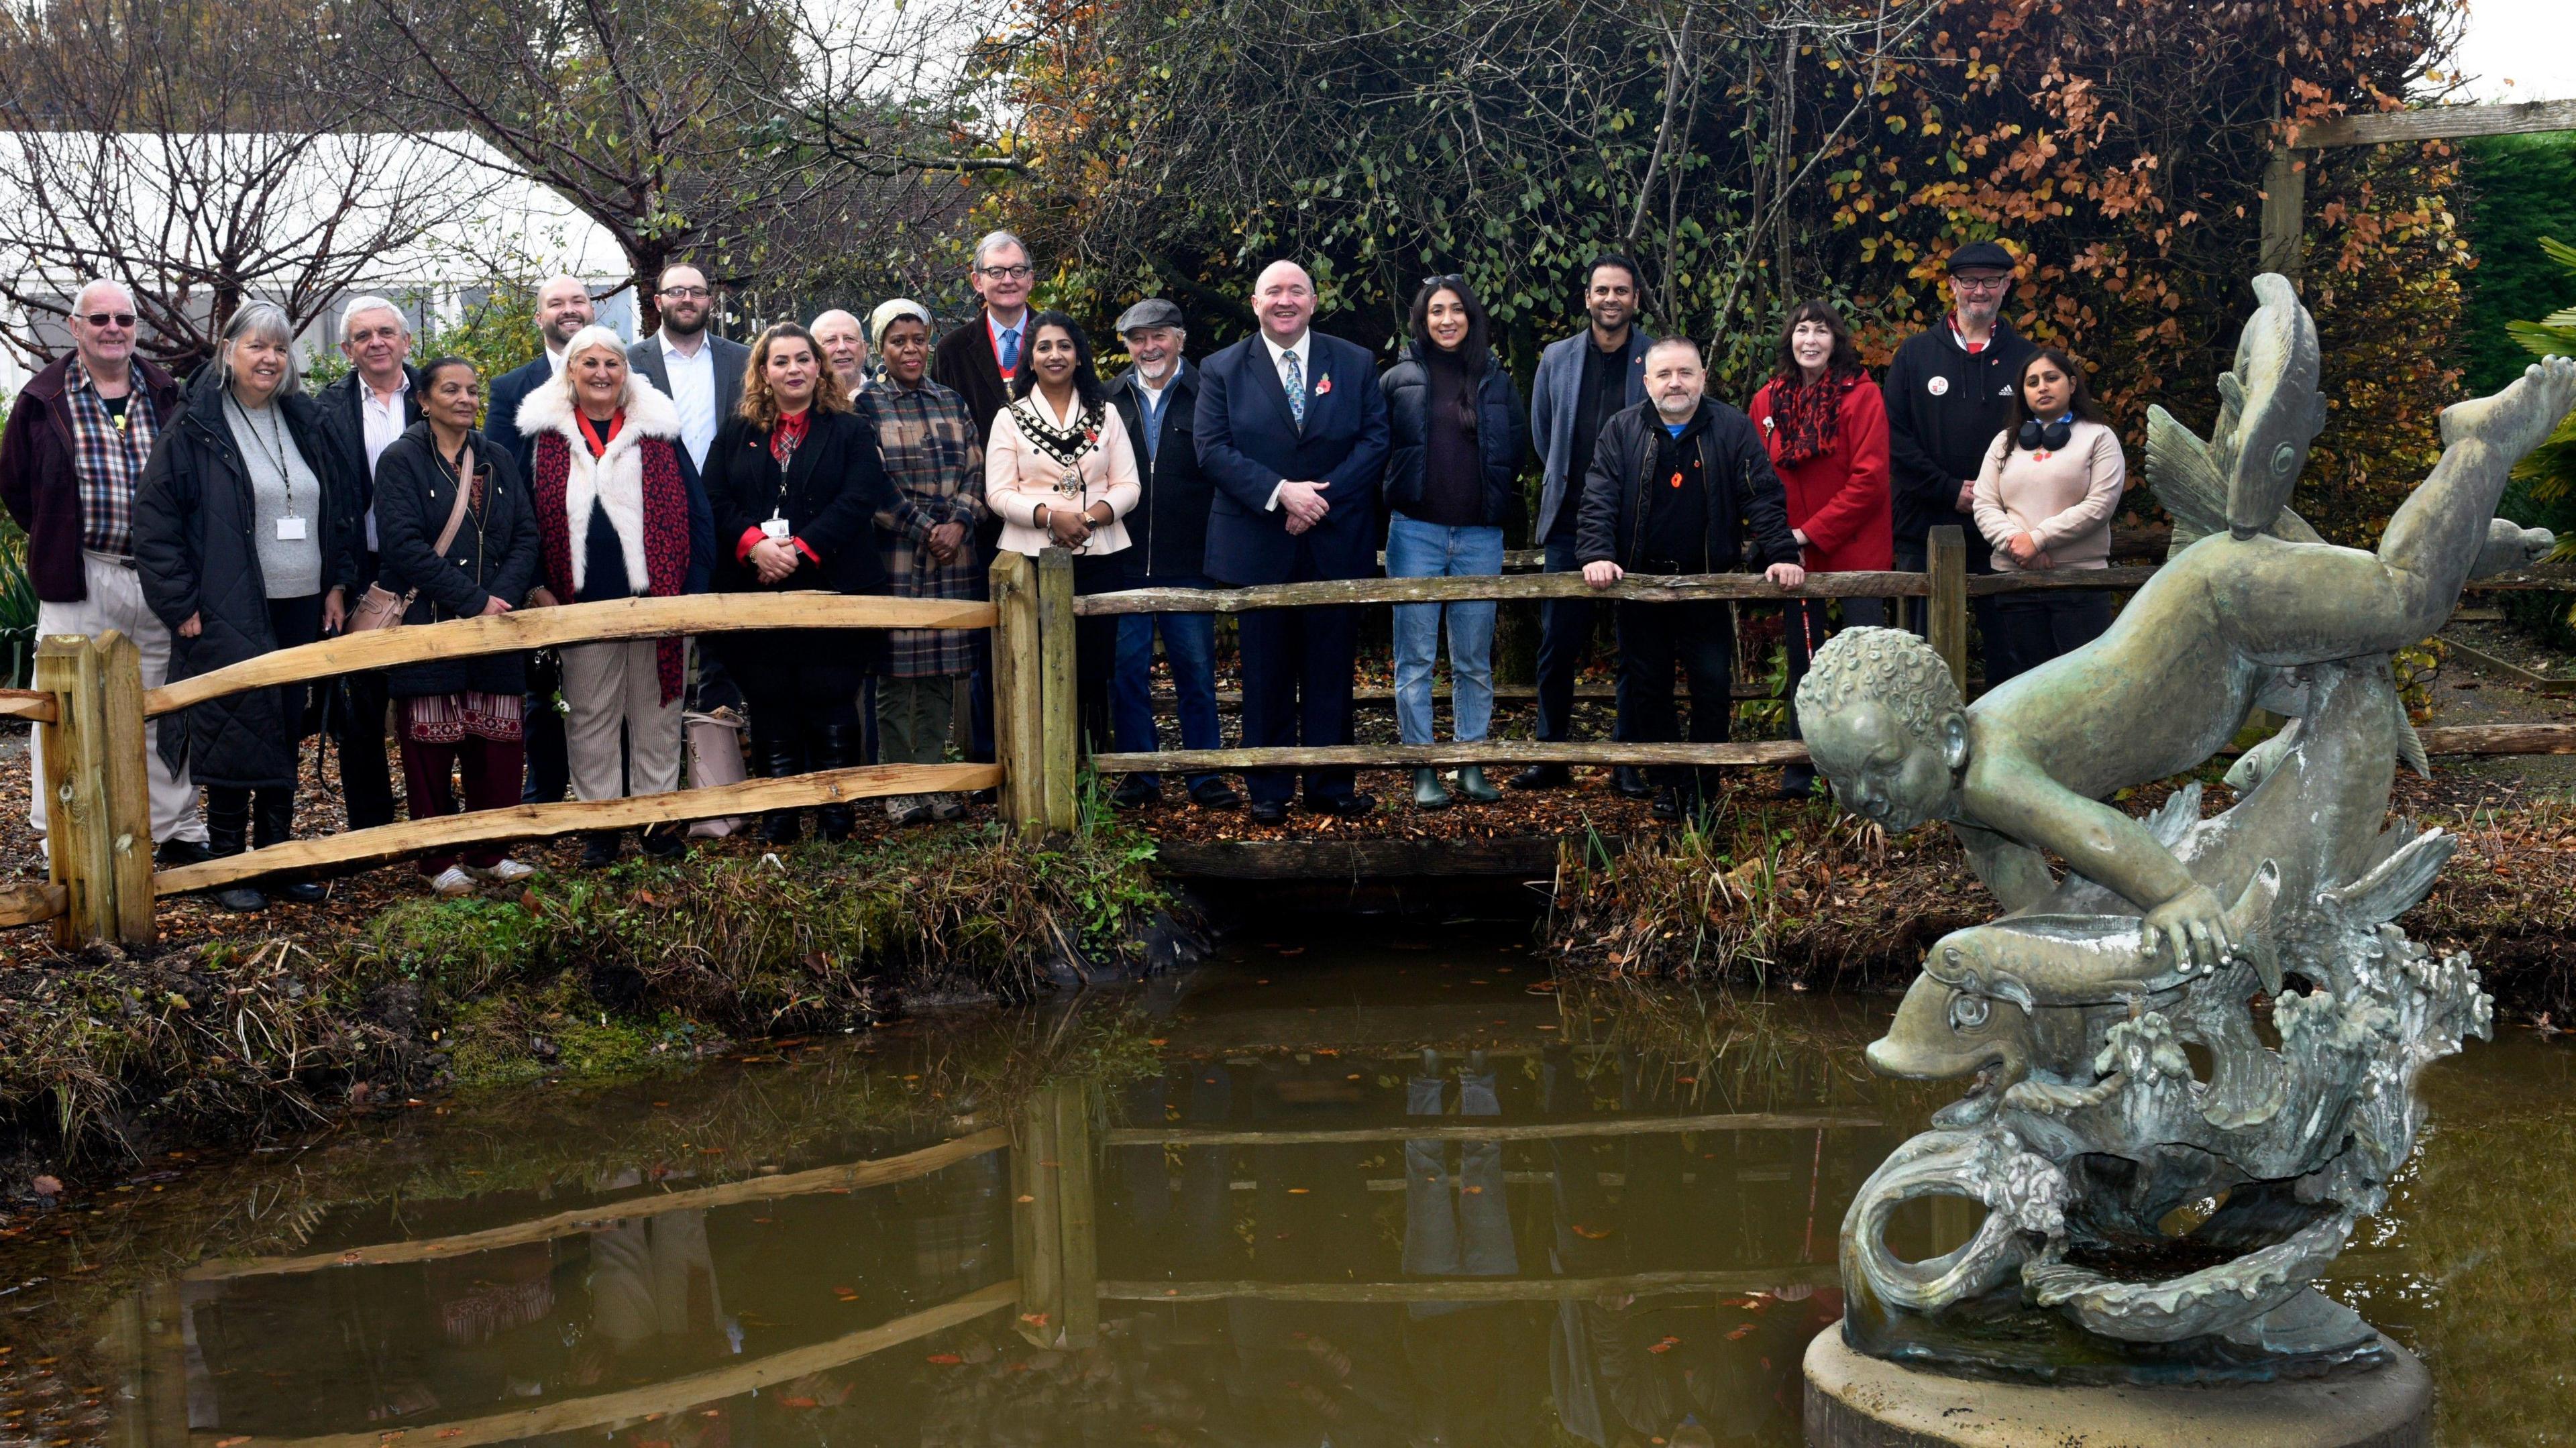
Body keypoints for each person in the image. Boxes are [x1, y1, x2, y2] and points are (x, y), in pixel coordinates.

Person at [135, 300, 362, 910]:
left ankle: (278, 861)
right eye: (257, 346)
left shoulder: (304, 420)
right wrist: (180, 601)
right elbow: (156, 523)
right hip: (229, 604)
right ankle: (230, 867)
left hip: (302, 606)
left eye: (280, 349)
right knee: (234, 728)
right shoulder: (195, 426)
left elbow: (335, 508)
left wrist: (337, 584)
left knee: (286, 727)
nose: (269, 358)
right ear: (229, 350)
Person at [0, 279, 208, 862]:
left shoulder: (168, 393)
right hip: (80, 575)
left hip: (162, 576)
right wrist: (57, 539)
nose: (112, 328)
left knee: (164, 703)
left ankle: (174, 828)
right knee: (64, 706)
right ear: (75, 327)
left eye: (123, 318)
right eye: (99, 320)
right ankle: (61, 835)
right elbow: (16, 485)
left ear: (136, 326)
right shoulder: (43, 400)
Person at [1576, 337, 1806, 821]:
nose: (1675, 383)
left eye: (1685, 373)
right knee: (1649, 691)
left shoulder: (1732, 427)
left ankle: (1702, 791)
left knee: (1711, 690)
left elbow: (1761, 495)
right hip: (1641, 588)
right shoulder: (1622, 430)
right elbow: (1599, 496)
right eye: (1664, 374)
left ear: (1703, 377)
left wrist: (1783, 552)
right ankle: (1671, 785)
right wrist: (1597, 553)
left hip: (1708, 587)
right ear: (1647, 382)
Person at [1195, 261, 1391, 824]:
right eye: (1274, 292)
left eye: (1296, 290)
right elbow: (1212, 448)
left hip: (1334, 540)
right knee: (1264, 672)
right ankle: (1270, 787)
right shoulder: (1223, 368)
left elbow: (1376, 439)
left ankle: (1331, 785)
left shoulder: (1353, 362)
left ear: (1313, 300)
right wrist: (1283, 493)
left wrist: (1318, 500)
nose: (1285, 300)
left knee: (1332, 669)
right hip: (1260, 542)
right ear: (1255, 303)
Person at [702, 322, 903, 844]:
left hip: (836, 586)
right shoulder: (736, 432)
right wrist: (755, 546)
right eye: (781, 361)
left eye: (803, 359)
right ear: (763, 372)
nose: (793, 369)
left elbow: (861, 496)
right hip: (756, 590)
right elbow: (715, 499)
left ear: (819, 367)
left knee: (832, 695)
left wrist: (800, 549)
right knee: (770, 699)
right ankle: (780, 814)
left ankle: (836, 815)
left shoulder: (850, 428)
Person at [517, 324, 700, 869]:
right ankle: (602, 826)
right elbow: (523, 523)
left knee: (657, 713)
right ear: (570, 371)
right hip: (581, 605)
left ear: (627, 373)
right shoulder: (542, 438)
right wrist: (535, 587)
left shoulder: (658, 431)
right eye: (590, 363)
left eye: (612, 364)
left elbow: (697, 512)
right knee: (591, 715)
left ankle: (654, 822)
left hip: (656, 602)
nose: (601, 373)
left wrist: (692, 592)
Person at [370, 357, 544, 895]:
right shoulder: (401, 459)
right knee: (429, 747)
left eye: (473, 389)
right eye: (452, 389)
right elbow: (402, 546)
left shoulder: (495, 458)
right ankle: (437, 859)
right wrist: (473, 600)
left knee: (497, 743)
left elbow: (526, 536)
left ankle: (490, 852)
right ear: (424, 399)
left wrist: (501, 598)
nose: (467, 398)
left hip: (496, 625)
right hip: (431, 624)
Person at [1379, 276, 1527, 811]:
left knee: (1473, 658)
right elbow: (1378, 446)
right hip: (1415, 532)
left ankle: (1471, 760)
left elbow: (1517, 445)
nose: (1447, 319)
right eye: (1437, 310)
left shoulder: (1494, 378)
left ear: (1471, 316)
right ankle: (1421, 766)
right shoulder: (1398, 378)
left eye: (1457, 309)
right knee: (1414, 657)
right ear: (1422, 318)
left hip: (1480, 537)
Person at [1517, 254, 1655, 797]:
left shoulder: (1654, 357)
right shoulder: (1557, 357)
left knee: (1636, 646)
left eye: (1622, 290)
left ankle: (1626, 760)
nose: (1611, 299)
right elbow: (1542, 431)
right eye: (1602, 290)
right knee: (1558, 644)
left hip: (1636, 524)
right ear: (1588, 297)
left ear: (1635, 300)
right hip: (1569, 524)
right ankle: (1552, 755)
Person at [1749, 298, 1892, 799]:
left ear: (1837, 341)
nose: (1810, 339)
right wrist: (1780, 541)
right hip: (1795, 556)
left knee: (1862, 664)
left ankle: (1866, 768)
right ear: (1789, 338)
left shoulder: (1862, 396)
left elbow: (1869, 481)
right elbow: (1759, 478)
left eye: (1822, 331)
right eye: (1801, 330)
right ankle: (1802, 764)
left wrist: (1806, 533)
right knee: (1804, 662)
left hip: (1854, 547)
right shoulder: (1767, 401)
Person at [985, 311, 1140, 756]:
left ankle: (1087, 769)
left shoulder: (1105, 414)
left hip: (1098, 552)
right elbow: (998, 492)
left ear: (1079, 356)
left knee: (1093, 668)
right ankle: (1036, 767)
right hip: (1030, 553)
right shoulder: (1009, 418)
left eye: (1065, 346)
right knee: (1031, 664)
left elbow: (1128, 484)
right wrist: (1050, 517)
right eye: (1045, 347)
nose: (1056, 355)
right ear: (1030, 359)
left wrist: (1090, 517)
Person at [1104, 298, 1236, 812]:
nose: (1148, 346)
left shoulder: (1210, 393)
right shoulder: (1108, 398)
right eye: (1138, 338)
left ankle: (1204, 774)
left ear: (1180, 338)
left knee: (1197, 671)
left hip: (1189, 561)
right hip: (1125, 560)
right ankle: (1140, 775)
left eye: (1158, 335)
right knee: (1127, 670)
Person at [861, 298, 988, 824]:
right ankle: (900, 786)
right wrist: (923, 528)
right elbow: (869, 483)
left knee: (941, 673)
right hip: (898, 555)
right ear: (880, 347)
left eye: (918, 339)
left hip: (953, 555)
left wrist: (958, 522)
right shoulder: (864, 406)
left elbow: (976, 470)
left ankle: (935, 780)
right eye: (898, 341)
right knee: (897, 676)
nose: (910, 349)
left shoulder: (951, 401)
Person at [1884, 239, 2034, 656]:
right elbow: (1895, 439)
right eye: (1970, 281)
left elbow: (2042, 438)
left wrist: (1989, 496)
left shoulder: (2029, 360)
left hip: (2005, 530)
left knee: (2012, 657)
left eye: (1991, 281)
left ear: (2007, 286)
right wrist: (1950, 490)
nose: (1980, 290)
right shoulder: (1914, 354)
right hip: (1924, 528)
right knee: (1924, 658)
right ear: (1952, 285)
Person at [481, 274, 598, 809]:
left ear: (593, 309)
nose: (569, 310)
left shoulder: (624, 375)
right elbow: (502, 489)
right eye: (557, 303)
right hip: (542, 560)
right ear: (539, 317)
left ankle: (610, 795)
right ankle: (547, 794)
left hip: (611, 562)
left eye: (578, 300)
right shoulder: (511, 388)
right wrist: (529, 581)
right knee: (544, 688)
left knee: (611, 681)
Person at [309, 294, 421, 831]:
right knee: (360, 709)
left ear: (405, 340)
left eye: (385, 332)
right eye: (363, 336)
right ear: (347, 348)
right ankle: (372, 827)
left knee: (428, 695)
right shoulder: (324, 409)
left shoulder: (437, 394)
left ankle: (434, 822)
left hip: (429, 571)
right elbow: (323, 502)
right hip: (360, 572)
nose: (376, 342)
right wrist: (335, 580)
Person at [932, 229, 1038, 779]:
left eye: (1017, 270)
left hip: (1051, 522)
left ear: (1031, 278)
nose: (1007, 280)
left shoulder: (1055, 337)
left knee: (1054, 637)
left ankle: (1060, 758)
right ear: (977, 281)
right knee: (986, 646)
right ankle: (988, 765)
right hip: (979, 523)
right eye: (996, 272)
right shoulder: (952, 350)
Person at [1970, 347, 2126, 686]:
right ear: (2023, 393)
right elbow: (1984, 503)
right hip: (2014, 584)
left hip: (2079, 585)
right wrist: (2018, 545)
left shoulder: (2100, 438)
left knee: (2084, 687)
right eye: (2032, 382)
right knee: (2023, 687)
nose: (2042, 387)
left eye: (2051, 378)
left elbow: (2099, 505)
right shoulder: (2003, 443)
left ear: (2072, 384)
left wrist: (2038, 539)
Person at [625, 264, 751, 478]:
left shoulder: (743, 360)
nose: (687, 299)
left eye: (697, 292)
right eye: (676, 291)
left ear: (710, 302)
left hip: (728, 501)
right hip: (658, 499)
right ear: (658, 302)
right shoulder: (630, 363)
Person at [812, 309, 871, 396]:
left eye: (850, 338)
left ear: (864, 349)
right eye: (831, 340)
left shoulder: (890, 392)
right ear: (814, 353)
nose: (842, 348)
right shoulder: (802, 400)